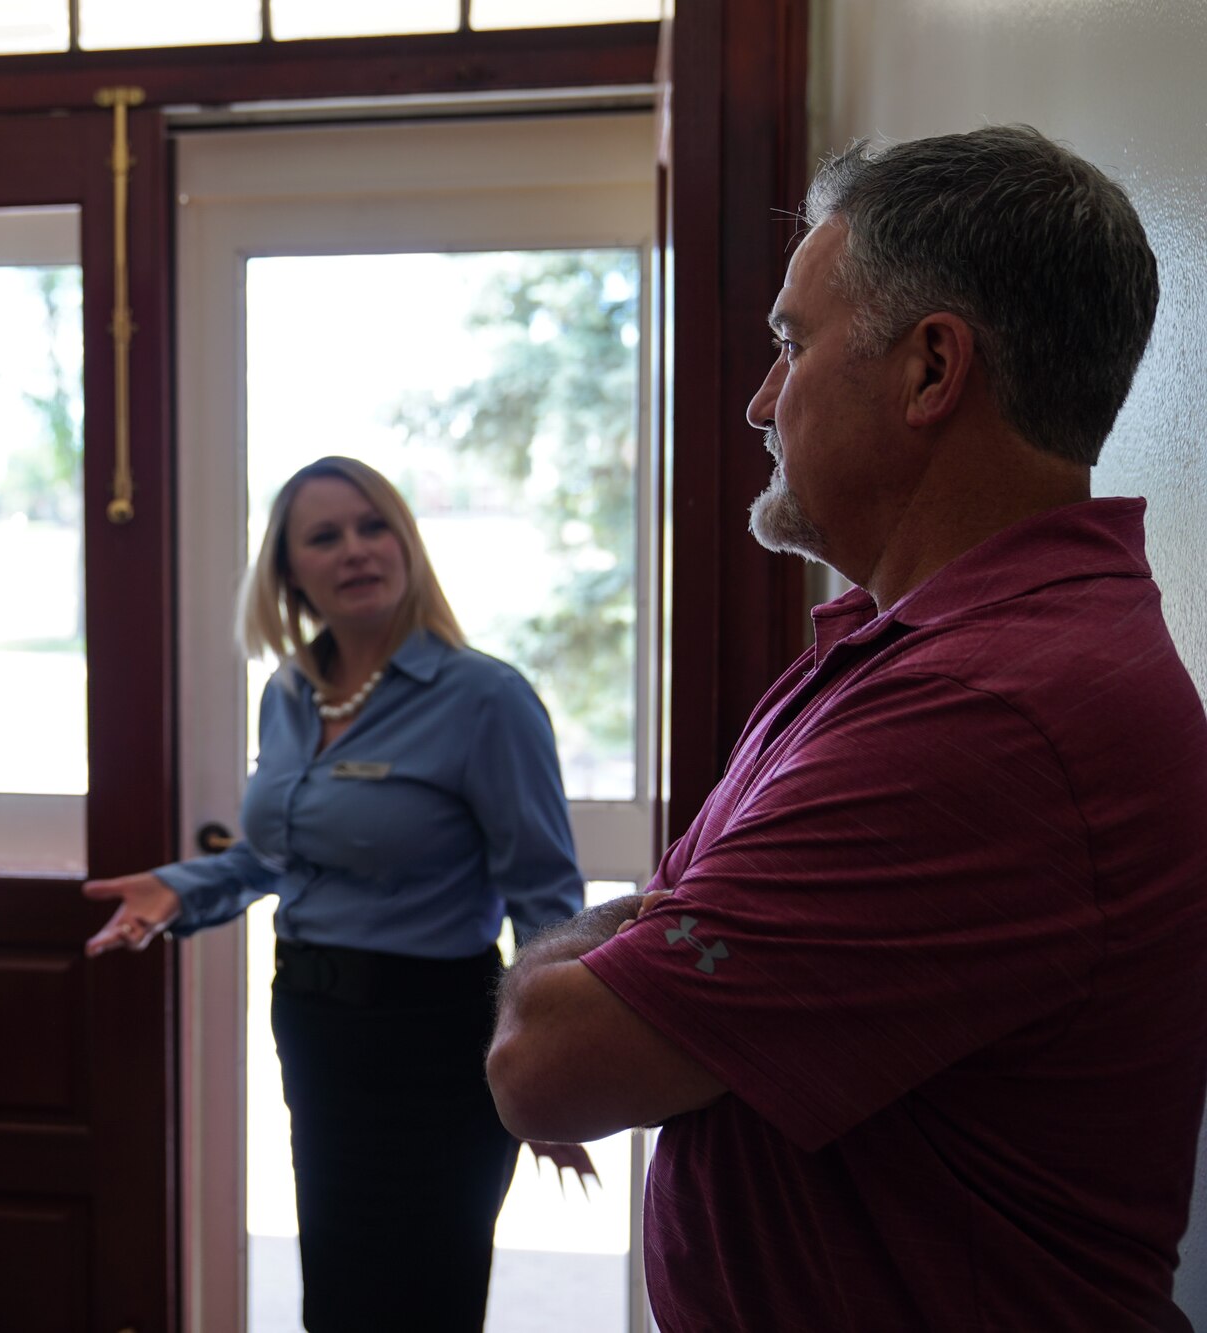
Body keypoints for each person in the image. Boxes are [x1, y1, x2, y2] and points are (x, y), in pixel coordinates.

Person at [485, 124, 1207, 1331]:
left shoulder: (982, 720)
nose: (762, 403)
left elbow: (546, 1065)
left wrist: (617, 944)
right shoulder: (912, 650)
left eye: (788, 344)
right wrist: (665, 932)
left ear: (930, 370)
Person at [83, 455, 584, 1332]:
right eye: (324, 535)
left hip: (436, 1042)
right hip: (316, 1030)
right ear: (288, 572)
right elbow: (273, 856)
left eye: (373, 526)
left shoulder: (485, 699)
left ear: (406, 543)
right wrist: (175, 888)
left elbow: (545, 896)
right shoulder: (290, 693)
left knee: (424, 1296)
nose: (355, 549)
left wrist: (555, 1067)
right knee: (341, 1293)